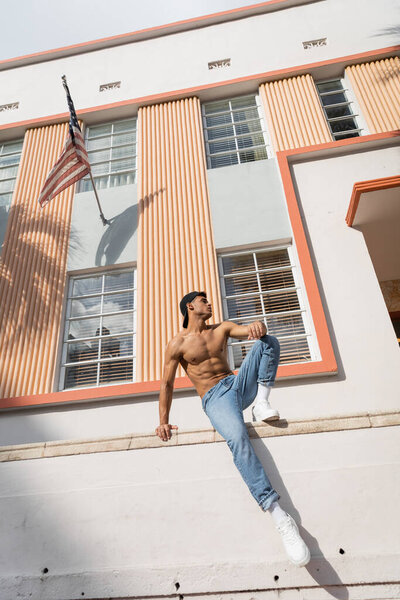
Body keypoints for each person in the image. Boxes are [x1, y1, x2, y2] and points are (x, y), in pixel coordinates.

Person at [155, 291, 311, 567]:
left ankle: (261, 403)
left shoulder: (222, 328)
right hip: (215, 398)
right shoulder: (177, 344)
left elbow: (245, 331)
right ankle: (278, 515)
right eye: (204, 301)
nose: (210, 304)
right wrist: (163, 420)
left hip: (237, 384)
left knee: (268, 342)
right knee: (238, 439)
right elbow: (166, 384)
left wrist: (256, 326)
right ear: (190, 306)